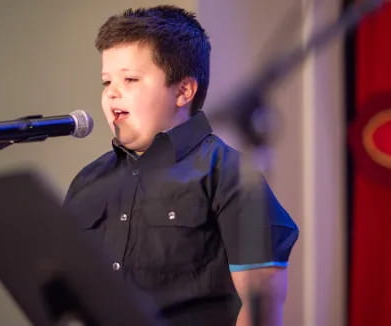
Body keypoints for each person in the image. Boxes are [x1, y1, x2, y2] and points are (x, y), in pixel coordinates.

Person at [64, 5, 298, 326]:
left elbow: (262, 308)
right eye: (106, 82)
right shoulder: (89, 180)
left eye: (130, 79)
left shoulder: (226, 173)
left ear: (184, 90)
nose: (112, 93)